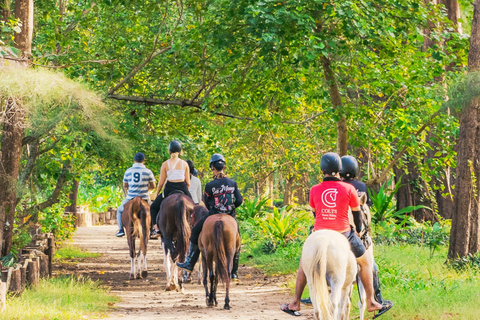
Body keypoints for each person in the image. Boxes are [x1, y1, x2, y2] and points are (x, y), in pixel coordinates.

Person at [281, 152, 391, 318]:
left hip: (318, 232)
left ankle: (295, 302)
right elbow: (356, 215)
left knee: (303, 266)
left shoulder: (314, 189)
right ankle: (371, 301)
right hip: (344, 233)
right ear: (338, 169)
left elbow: (315, 213)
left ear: (322, 169)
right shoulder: (349, 188)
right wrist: (359, 230)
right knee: (367, 263)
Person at [177, 153, 243, 279]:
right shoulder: (232, 183)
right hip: (230, 215)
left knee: (195, 232)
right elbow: (239, 201)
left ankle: (189, 262)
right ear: (224, 166)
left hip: (213, 214)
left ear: (212, 167)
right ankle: (234, 272)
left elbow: (207, 202)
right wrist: (230, 208)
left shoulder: (210, 185)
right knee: (238, 241)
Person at [340, 155, 392, 307]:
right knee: (370, 264)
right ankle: (376, 298)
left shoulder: (338, 187)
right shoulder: (361, 187)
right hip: (355, 232)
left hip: (338, 229)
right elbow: (365, 210)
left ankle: (312, 294)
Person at [150, 141, 193, 238]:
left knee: (153, 207)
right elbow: (188, 182)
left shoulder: (165, 164)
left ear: (169, 151)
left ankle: (156, 229)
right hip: (182, 187)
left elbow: (161, 182)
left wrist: (157, 193)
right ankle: (192, 226)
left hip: (169, 188)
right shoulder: (184, 163)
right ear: (180, 151)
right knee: (194, 207)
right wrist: (186, 192)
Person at [116, 152, 156, 237]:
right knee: (153, 210)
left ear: (134, 160)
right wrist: (146, 189)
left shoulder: (128, 171)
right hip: (144, 197)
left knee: (119, 210)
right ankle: (152, 230)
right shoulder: (148, 172)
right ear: (143, 161)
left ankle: (120, 230)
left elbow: (125, 185)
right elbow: (153, 186)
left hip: (131, 197)